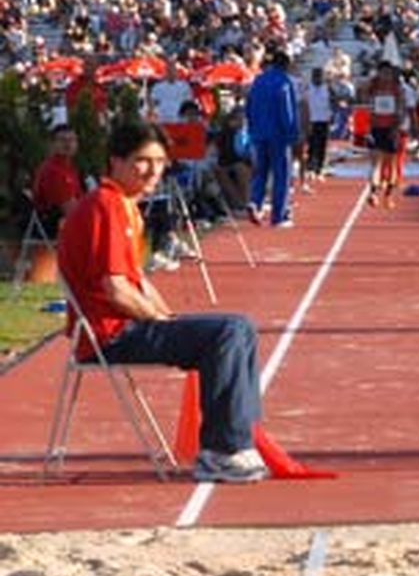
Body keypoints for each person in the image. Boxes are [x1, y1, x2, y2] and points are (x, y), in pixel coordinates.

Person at [56, 120, 267, 483]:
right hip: (110, 334)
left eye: (160, 161)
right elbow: (116, 290)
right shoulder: (105, 206)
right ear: (116, 161)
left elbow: (138, 280)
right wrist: (160, 320)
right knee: (228, 331)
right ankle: (221, 450)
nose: (154, 170)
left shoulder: (124, 206)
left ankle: (239, 441)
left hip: (127, 325)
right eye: (142, 161)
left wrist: (167, 315)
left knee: (241, 327)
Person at [244, 48, 300, 227]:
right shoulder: (284, 82)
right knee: (281, 175)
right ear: (286, 65)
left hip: (258, 133)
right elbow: (287, 110)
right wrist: (292, 133)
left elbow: (249, 105)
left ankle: (255, 201)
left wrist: (252, 128)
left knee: (260, 171)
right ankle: (279, 214)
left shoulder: (258, 80)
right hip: (278, 135)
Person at [364, 58, 406, 207]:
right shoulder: (375, 86)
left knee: (390, 164)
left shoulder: (396, 88)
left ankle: (386, 195)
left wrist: (398, 126)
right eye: (382, 72)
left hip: (390, 128)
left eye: (387, 73)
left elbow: (401, 107)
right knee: (377, 163)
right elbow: (362, 93)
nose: (385, 75)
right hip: (377, 127)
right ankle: (376, 193)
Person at [31, 124, 84, 236]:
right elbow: (70, 210)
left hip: (65, 221)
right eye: (62, 140)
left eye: (72, 140)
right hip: (53, 225)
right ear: (52, 144)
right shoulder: (52, 170)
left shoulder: (69, 168)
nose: (68, 144)